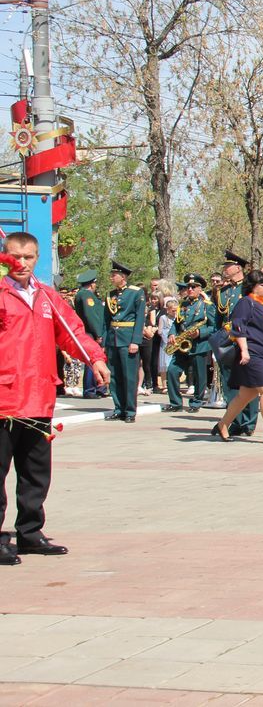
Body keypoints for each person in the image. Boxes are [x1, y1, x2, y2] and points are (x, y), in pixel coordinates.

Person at [1, 232, 109, 564]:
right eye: (15, 256)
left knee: (36, 473)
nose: (21, 263)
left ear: (37, 258)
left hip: (39, 398)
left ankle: (30, 533)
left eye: (28, 257)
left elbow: (73, 332)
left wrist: (95, 358)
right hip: (4, 400)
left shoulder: (47, 297)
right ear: (4, 256)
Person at [212, 270, 263, 444]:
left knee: (246, 394)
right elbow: (238, 326)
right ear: (252, 286)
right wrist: (244, 350)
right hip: (252, 353)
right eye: (262, 284)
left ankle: (222, 425)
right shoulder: (246, 302)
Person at [216, 251, 260, 435]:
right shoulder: (224, 291)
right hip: (227, 341)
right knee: (230, 382)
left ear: (238, 268)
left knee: (249, 382)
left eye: (228, 266)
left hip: (246, 339)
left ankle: (249, 423)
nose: (225, 269)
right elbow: (219, 318)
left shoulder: (248, 289)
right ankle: (235, 420)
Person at [162, 276, 214, 411]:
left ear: (200, 289)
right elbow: (176, 323)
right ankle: (175, 403)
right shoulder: (183, 304)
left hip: (198, 345)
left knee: (199, 375)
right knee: (172, 371)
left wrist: (200, 333)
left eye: (193, 287)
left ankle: (196, 402)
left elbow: (214, 327)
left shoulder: (207, 305)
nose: (190, 289)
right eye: (188, 287)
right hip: (182, 344)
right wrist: (172, 334)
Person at [103, 261, 146, 423]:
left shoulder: (136, 293)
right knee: (115, 377)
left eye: (114, 275)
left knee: (129, 377)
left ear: (123, 277)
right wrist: (104, 343)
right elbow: (106, 320)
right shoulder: (110, 295)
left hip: (128, 339)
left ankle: (130, 411)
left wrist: (135, 341)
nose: (111, 277)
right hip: (113, 339)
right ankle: (118, 408)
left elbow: (139, 318)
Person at [72, 270, 107, 399]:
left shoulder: (87, 295)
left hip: (92, 332)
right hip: (90, 333)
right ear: (92, 284)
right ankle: (90, 389)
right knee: (93, 360)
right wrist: (98, 333)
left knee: (99, 359)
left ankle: (99, 387)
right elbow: (91, 316)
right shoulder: (86, 296)